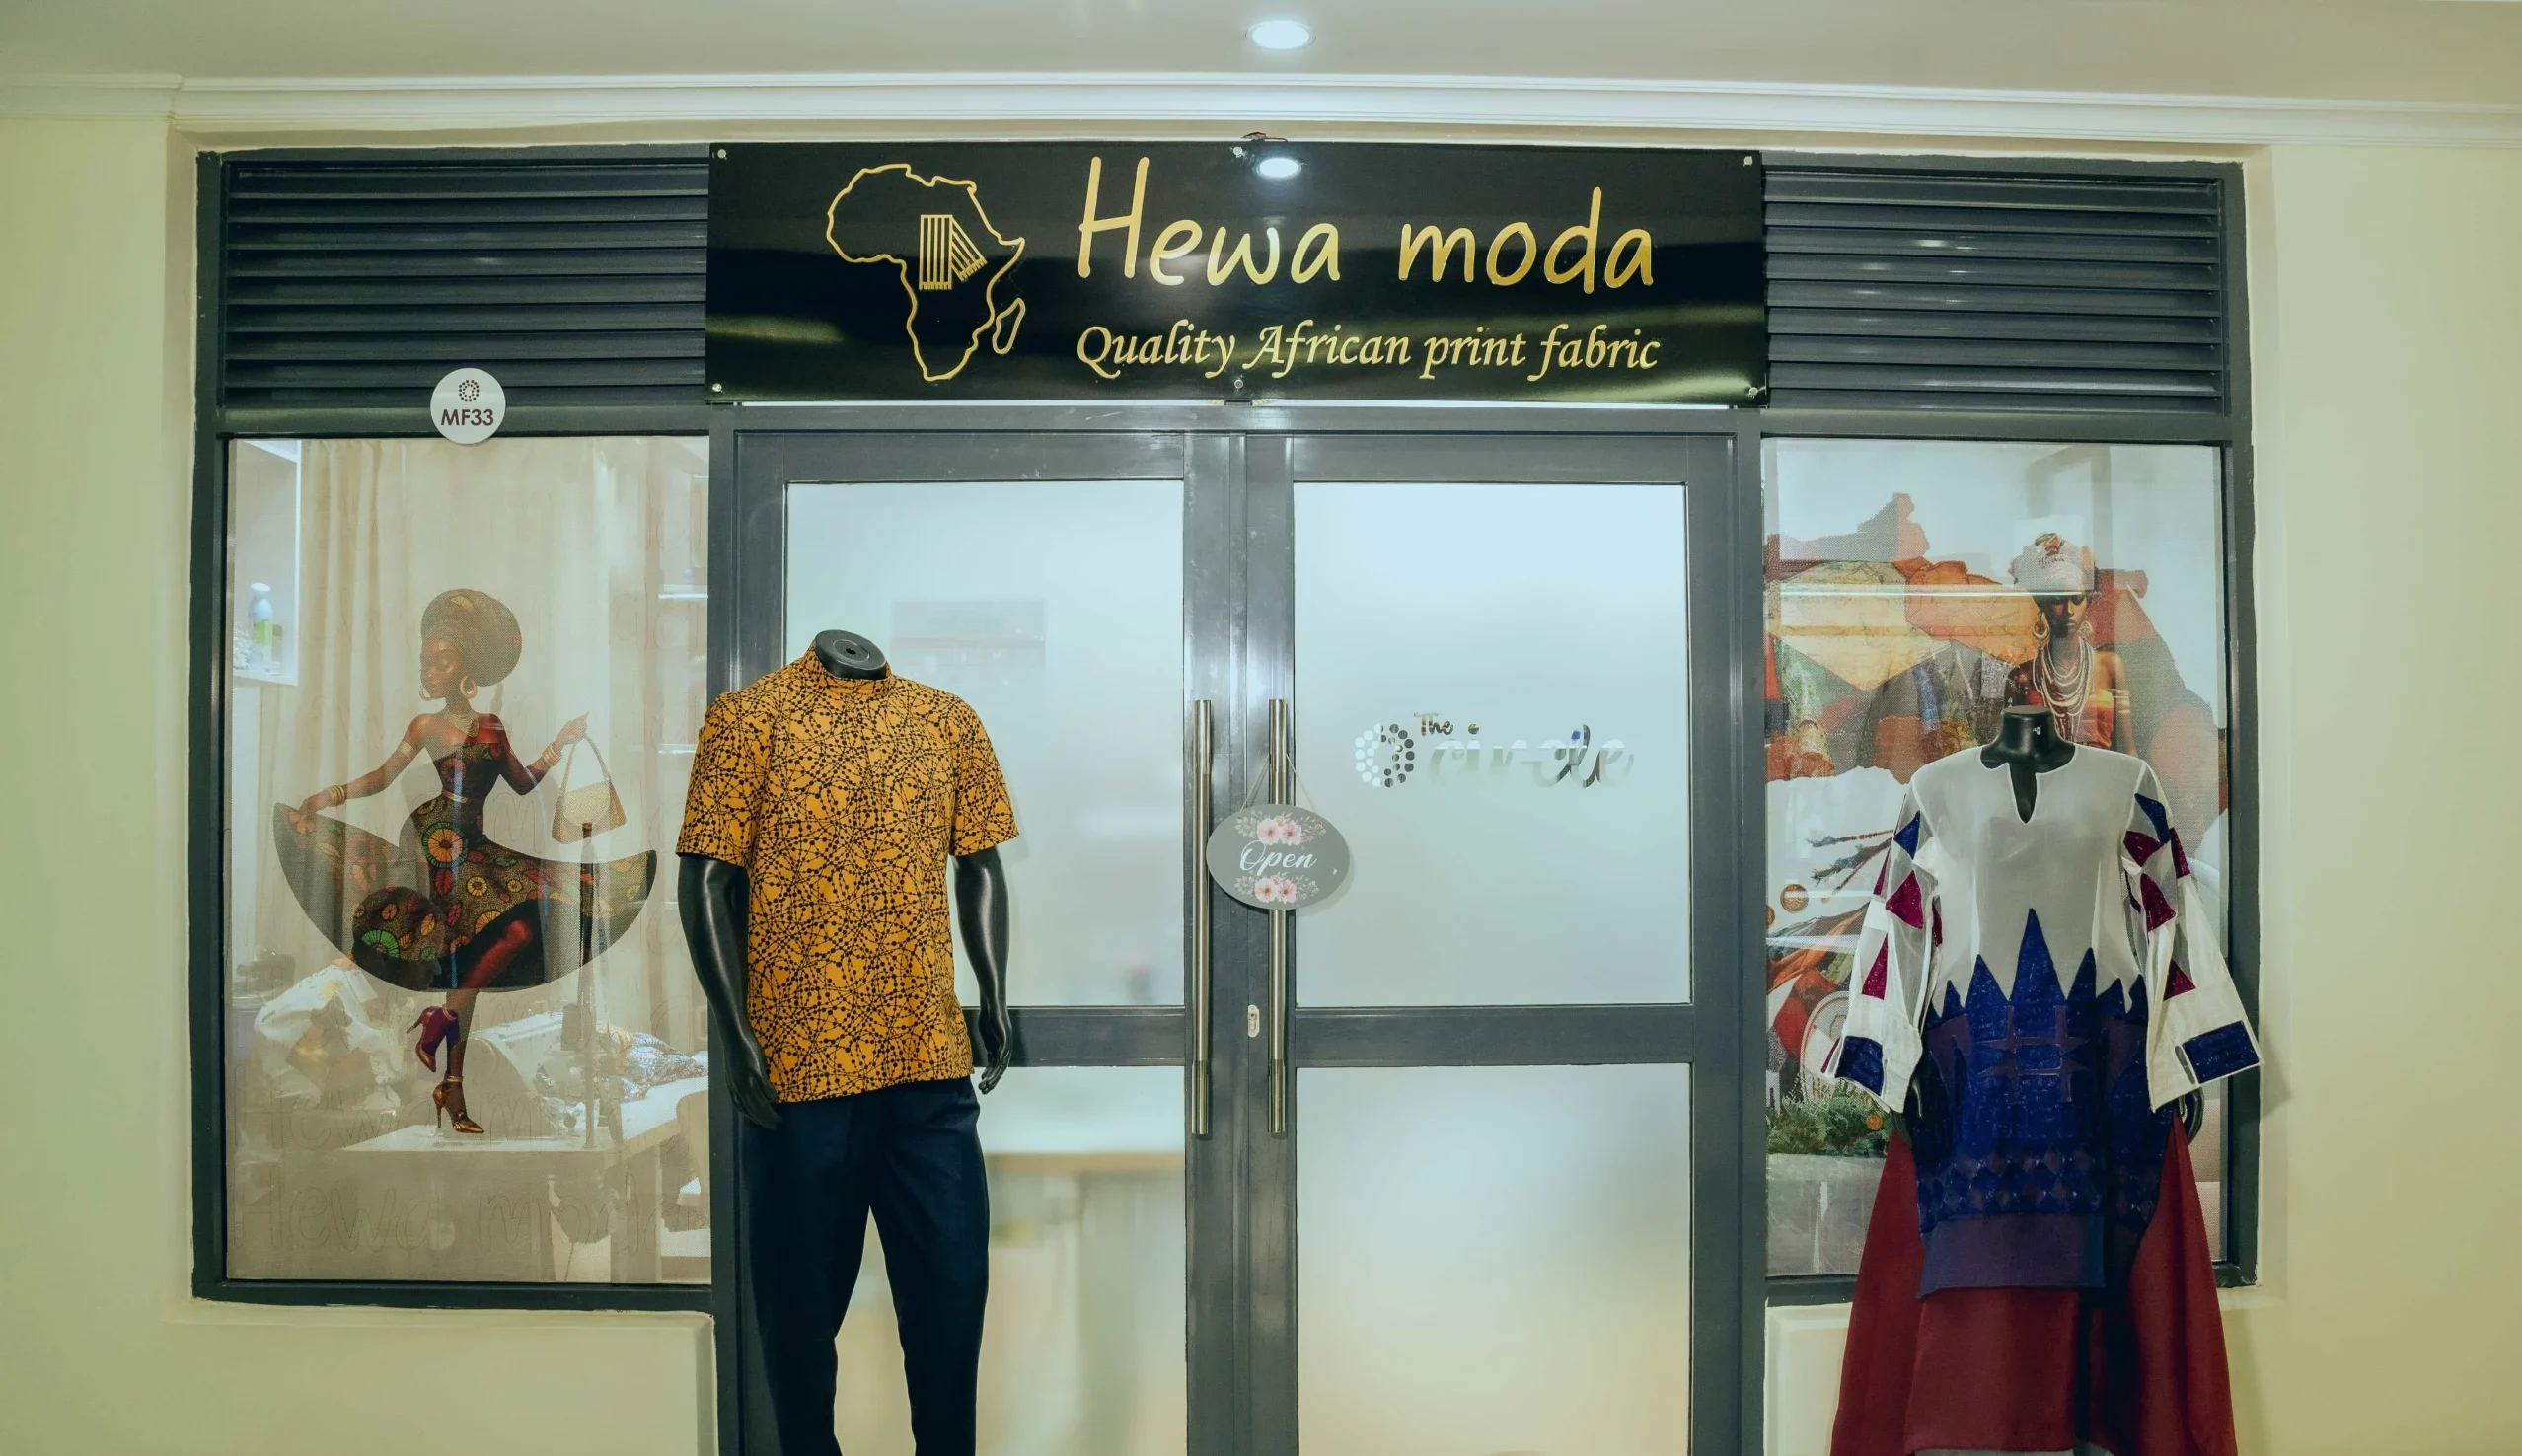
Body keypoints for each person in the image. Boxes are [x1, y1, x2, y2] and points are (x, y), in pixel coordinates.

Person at [271, 588, 653, 1133]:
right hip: (432, 843)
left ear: (465, 669)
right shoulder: (424, 727)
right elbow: (383, 777)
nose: (429, 670)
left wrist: (561, 745)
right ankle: (449, 1065)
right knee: (463, 953)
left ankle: (449, 1068)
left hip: (473, 847)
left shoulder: (492, 728)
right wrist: (329, 797)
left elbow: (523, 784)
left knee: (515, 929)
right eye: (425, 661)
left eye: (441, 660)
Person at [2002, 532, 2133, 752]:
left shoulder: (2109, 666)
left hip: (2101, 773)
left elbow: (2129, 752)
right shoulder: (2022, 677)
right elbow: (2014, 752)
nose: (2069, 610)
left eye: (2077, 599)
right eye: (2058, 599)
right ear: (2042, 603)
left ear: (2088, 601)